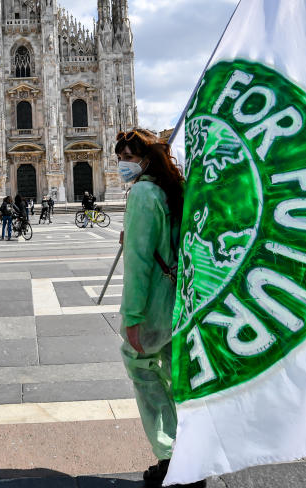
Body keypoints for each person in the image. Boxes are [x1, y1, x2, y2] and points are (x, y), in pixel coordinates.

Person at [114, 129, 194, 488]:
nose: (121, 165)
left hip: (153, 306)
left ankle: (168, 456)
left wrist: (132, 317)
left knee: (144, 373)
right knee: (176, 376)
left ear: (144, 160)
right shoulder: (169, 190)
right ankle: (191, 452)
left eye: (127, 158)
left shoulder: (143, 193)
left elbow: (139, 262)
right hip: (178, 299)